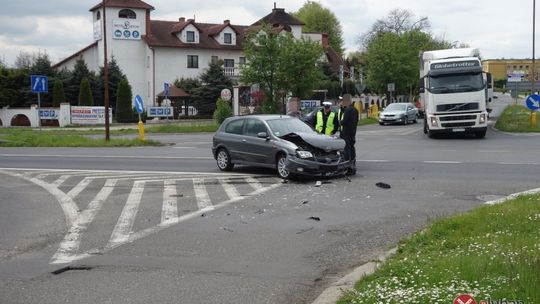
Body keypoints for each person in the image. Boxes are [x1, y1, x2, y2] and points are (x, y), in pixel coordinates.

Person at [339, 94, 359, 175]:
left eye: (342, 101)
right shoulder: (355, 110)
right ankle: (353, 164)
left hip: (346, 132)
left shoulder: (347, 110)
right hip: (353, 132)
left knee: (347, 149)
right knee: (351, 147)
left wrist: (340, 122)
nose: (341, 102)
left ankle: (348, 166)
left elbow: (344, 121)